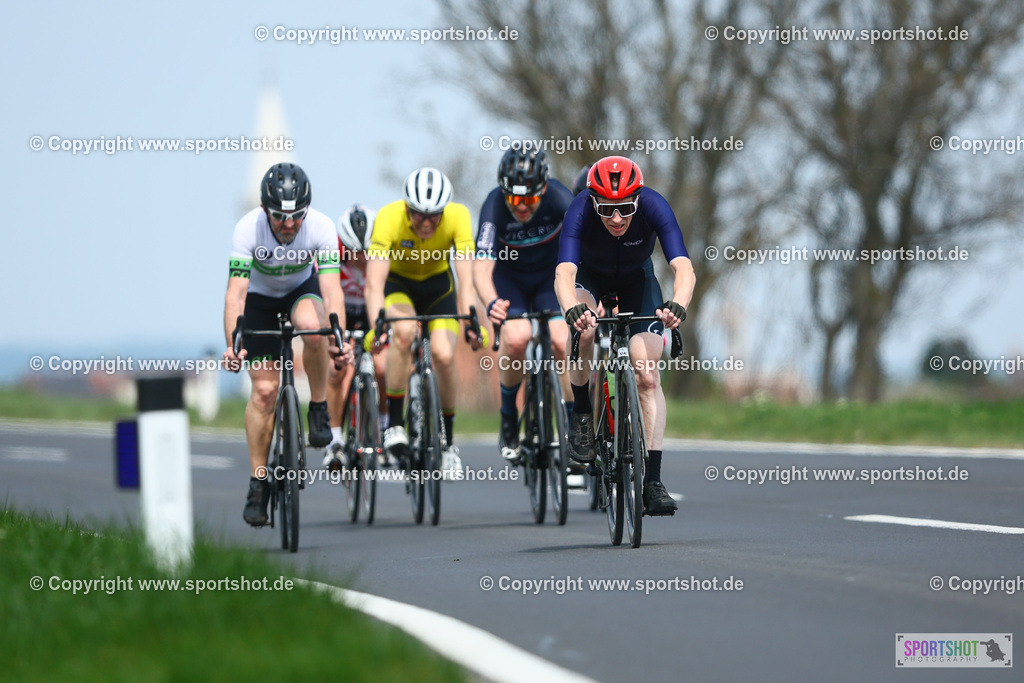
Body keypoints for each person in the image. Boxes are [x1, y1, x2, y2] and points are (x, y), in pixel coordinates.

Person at [554, 156, 694, 515]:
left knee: (647, 373)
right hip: (590, 277)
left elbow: (683, 268)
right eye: (607, 209)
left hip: (637, 281)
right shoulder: (580, 208)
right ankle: (583, 414)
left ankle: (653, 482)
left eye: (625, 208)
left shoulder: (654, 204)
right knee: (584, 332)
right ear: (593, 201)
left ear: (638, 198)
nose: (617, 218)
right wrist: (572, 308)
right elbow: (565, 273)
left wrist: (677, 305)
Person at [222, 162, 349, 527]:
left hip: (299, 291)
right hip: (258, 301)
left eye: (297, 217)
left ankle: (319, 408)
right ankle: (258, 483)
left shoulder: (322, 228)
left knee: (312, 326)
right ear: (265, 210)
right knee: (264, 391)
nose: (289, 224)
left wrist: (337, 334)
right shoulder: (248, 229)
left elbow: (331, 290)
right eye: (280, 217)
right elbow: (235, 295)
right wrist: (233, 343)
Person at [364, 167, 481, 476]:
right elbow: (374, 282)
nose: (427, 223)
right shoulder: (388, 218)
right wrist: (378, 323)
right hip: (399, 287)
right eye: (419, 215)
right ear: (407, 208)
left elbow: (466, 279)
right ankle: (396, 425)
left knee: (443, 354)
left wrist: (470, 318)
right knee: (403, 334)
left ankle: (448, 443)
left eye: (434, 216)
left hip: (438, 288)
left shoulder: (459, 216)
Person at [473, 146, 574, 462]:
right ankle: (508, 418)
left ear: (543, 189)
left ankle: (574, 423)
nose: (521, 208)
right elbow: (480, 267)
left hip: (550, 279)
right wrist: (491, 302)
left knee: (561, 339)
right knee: (515, 339)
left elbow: (584, 248)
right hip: (510, 282)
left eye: (529, 199)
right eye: (514, 199)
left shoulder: (559, 198)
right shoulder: (493, 205)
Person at [323, 204, 389, 470]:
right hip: (344, 316)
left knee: (384, 366)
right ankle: (335, 441)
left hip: (372, 313)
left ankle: (385, 428)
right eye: (355, 252)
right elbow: (326, 298)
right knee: (339, 370)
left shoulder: (387, 251)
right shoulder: (332, 254)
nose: (362, 257)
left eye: (367, 251)